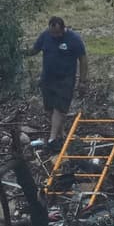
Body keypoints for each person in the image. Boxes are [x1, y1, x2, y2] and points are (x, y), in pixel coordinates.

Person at [30, 16, 88, 151]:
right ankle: (61, 134)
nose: (54, 36)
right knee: (49, 108)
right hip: (48, 78)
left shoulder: (74, 39)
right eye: (52, 33)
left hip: (65, 79)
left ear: (63, 29)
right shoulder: (45, 36)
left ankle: (52, 138)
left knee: (60, 108)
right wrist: (16, 52)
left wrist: (83, 81)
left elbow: (83, 60)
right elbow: (34, 50)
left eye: (57, 33)